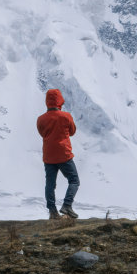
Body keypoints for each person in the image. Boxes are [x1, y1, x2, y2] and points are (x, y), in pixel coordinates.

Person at [36, 88, 80, 219]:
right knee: (74, 180)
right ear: (60, 100)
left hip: (49, 156)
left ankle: (52, 212)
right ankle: (67, 205)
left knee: (50, 184)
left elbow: (42, 133)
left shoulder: (41, 119)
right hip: (64, 154)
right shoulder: (66, 116)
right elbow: (72, 131)